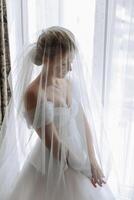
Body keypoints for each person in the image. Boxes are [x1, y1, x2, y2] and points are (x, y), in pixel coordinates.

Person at [0, 26, 115, 200]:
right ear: (46, 59)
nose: (69, 68)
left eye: (71, 61)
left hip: (79, 152)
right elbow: (56, 148)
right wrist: (85, 168)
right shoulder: (34, 94)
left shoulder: (68, 83)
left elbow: (83, 123)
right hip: (55, 162)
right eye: (63, 63)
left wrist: (93, 159)